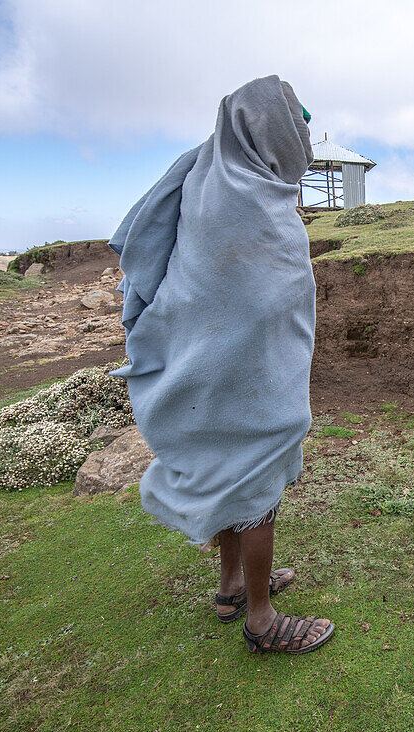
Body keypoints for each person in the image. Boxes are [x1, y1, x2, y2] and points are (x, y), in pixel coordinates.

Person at [108, 76, 333, 654]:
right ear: (273, 133)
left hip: (198, 366)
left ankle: (232, 587)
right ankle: (261, 620)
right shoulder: (253, 199)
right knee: (257, 490)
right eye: (297, 126)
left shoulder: (206, 178)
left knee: (228, 472)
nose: (302, 137)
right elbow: (264, 298)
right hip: (244, 378)